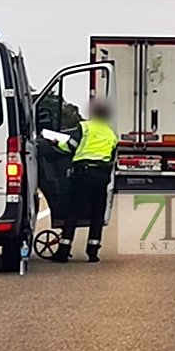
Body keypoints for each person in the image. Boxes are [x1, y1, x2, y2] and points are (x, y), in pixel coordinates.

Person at [50, 100, 118, 263]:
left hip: (83, 174)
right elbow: (112, 157)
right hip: (101, 176)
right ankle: (93, 251)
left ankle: (64, 250)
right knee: (97, 214)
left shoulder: (85, 127)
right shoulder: (111, 134)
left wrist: (56, 143)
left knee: (73, 211)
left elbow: (71, 146)